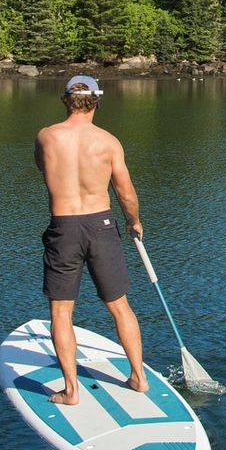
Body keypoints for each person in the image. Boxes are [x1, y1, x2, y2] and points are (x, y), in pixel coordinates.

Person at [34, 74, 147, 405]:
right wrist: (134, 221)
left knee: (61, 312)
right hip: (102, 225)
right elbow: (125, 192)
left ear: (65, 100)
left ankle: (71, 391)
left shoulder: (46, 137)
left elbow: (43, 169)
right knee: (119, 306)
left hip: (64, 227)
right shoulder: (108, 142)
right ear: (96, 101)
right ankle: (138, 378)